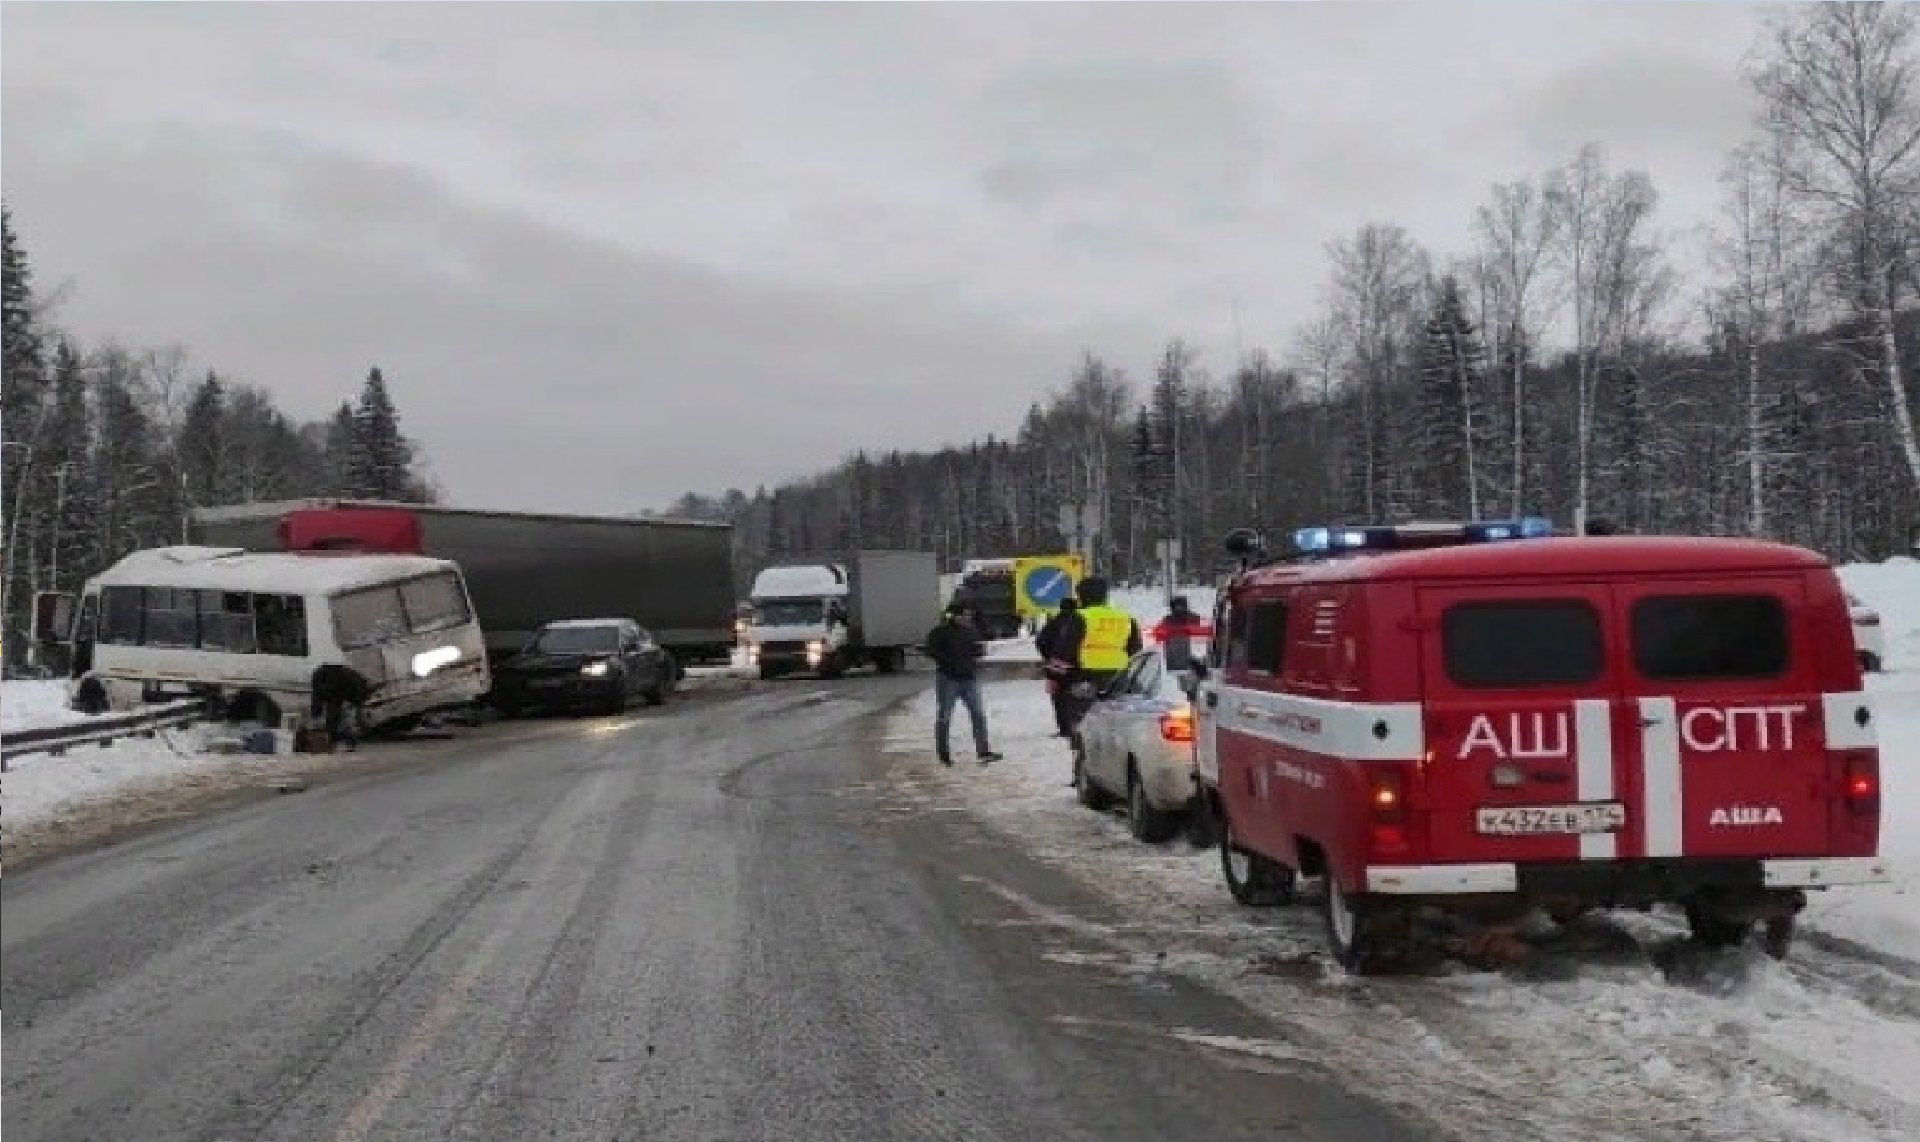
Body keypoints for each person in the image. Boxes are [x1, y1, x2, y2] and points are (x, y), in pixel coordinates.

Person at [1055, 576, 1143, 739]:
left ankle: (1084, 756)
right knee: (1117, 720)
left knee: (1082, 721)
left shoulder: (1079, 617)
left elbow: (1064, 650)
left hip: (1084, 677)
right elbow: (1136, 650)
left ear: (1080, 596)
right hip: (1118, 677)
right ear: (1105, 596)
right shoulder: (1126, 618)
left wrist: (1054, 677)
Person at [924, 603, 1003, 766]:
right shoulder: (940, 632)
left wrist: (979, 652)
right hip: (948, 678)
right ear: (955, 616)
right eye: (964, 615)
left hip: (969, 678)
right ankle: (944, 753)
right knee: (945, 716)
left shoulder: (971, 631)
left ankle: (983, 751)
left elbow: (977, 649)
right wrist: (947, 662)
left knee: (978, 714)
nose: (968, 618)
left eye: (969, 615)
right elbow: (931, 650)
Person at [1034, 597, 1079, 738]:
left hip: (1056, 665)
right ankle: (1076, 726)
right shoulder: (1078, 622)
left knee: (1058, 698)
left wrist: (1048, 657)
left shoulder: (1053, 623)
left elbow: (1040, 641)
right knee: (1077, 696)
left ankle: (1064, 729)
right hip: (1076, 665)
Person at [1151, 595, 1205, 671]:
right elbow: (1198, 621)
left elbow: (1157, 635)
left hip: (1172, 662)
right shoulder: (1188, 619)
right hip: (1180, 661)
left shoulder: (1168, 620)